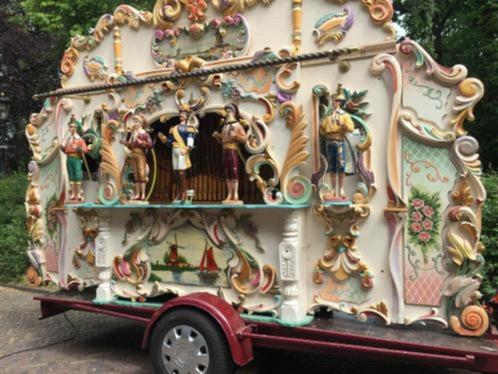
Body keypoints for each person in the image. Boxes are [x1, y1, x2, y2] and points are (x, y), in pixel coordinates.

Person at [319, 84, 355, 200]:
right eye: (333, 101)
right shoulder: (328, 117)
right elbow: (323, 129)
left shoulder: (344, 116)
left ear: (340, 103)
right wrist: (328, 134)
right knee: (332, 166)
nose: (335, 103)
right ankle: (333, 189)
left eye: (336, 101)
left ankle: (341, 188)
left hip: (339, 141)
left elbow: (351, 128)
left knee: (341, 165)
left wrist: (342, 126)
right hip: (330, 142)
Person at [158, 107, 197, 203]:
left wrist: (187, 149)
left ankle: (183, 194)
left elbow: (190, 140)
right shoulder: (173, 128)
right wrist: (164, 139)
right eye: (180, 113)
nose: (181, 115)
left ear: (187, 115)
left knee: (181, 173)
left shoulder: (189, 128)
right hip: (174, 151)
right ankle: (179, 194)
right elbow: (170, 142)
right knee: (176, 173)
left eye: (184, 113)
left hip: (182, 150)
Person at [212, 103, 248, 204]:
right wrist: (218, 137)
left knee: (234, 171)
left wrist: (236, 136)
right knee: (227, 172)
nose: (227, 113)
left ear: (233, 112)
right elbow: (222, 141)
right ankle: (229, 194)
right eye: (226, 111)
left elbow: (245, 139)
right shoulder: (224, 126)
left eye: (229, 111)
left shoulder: (237, 125)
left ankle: (235, 194)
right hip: (225, 150)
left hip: (232, 150)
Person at [120, 114, 153, 201]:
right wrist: (124, 143)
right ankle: (137, 194)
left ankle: (143, 194)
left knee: (141, 173)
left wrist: (142, 143)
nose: (134, 123)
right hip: (133, 154)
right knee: (136, 175)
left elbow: (150, 144)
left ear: (140, 123)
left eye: (136, 121)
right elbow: (131, 144)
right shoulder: (133, 133)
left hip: (140, 154)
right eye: (134, 121)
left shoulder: (144, 133)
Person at [61, 115, 90, 202]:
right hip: (69, 159)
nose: (70, 129)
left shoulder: (79, 139)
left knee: (77, 175)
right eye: (69, 127)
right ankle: (73, 193)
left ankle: (78, 194)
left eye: (71, 127)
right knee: (71, 175)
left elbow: (85, 149)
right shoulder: (68, 139)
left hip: (77, 159)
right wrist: (62, 148)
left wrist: (80, 149)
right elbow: (66, 150)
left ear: (75, 128)